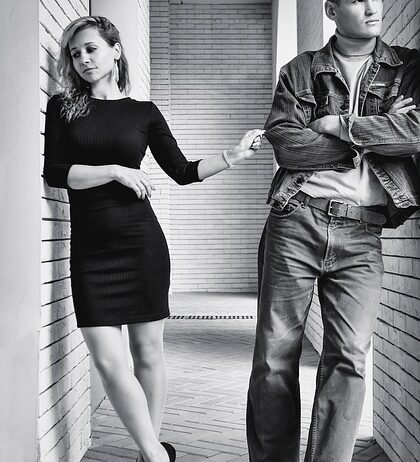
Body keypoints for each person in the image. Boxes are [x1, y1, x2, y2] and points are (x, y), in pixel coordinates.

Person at [43, 16, 263, 462]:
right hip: (90, 252)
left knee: (147, 354)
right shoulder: (63, 107)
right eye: (74, 53)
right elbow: (55, 173)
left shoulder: (143, 112)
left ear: (115, 50)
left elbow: (182, 171)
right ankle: (158, 455)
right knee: (108, 362)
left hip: (141, 246)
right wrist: (115, 171)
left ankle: (149, 453)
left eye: (91, 49)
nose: (83, 59)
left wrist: (233, 155)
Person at [246, 0, 420, 461]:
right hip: (296, 220)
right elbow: (287, 146)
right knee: (274, 356)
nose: (371, 7)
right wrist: (368, 138)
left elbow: (411, 135)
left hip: (363, 233)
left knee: (349, 356)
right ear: (331, 9)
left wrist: (336, 125)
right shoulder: (301, 70)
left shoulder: (404, 65)